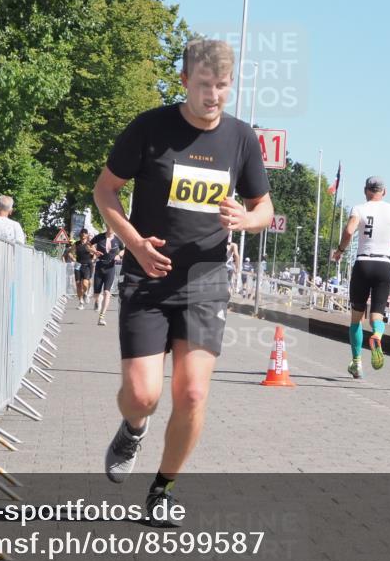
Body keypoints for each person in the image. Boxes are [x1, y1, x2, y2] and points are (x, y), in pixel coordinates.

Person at [93, 37, 273, 525]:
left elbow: (264, 208)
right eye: (203, 85)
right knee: (142, 395)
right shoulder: (151, 128)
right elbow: (105, 190)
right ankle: (133, 427)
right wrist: (133, 243)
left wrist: (246, 219)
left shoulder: (240, 139)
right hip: (147, 278)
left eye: (221, 86)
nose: (212, 96)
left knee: (192, 393)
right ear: (184, 82)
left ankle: (162, 489)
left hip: (206, 281)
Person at [332, 176, 390, 379]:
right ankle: (377, 335)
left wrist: (340, 249)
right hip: (384, 264)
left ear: (365, 191)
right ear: (384, 192)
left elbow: (350, 230)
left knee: (356, 318)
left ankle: (357, 362)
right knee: (377, 314)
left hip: (363, 264)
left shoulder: (359, 209)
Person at [91, 225, 125, 325]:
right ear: (106, 226)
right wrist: (94, 251)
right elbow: (88, 245)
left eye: (112, 226)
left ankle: (101, 317)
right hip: (99, 266)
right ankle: (97, 300)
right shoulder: (99, 237)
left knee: (107, 292)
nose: (111, 228)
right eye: (109, 226)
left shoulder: (118, 239)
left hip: (111, 267)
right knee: (96, 294)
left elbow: (124, 249)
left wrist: (119, 255)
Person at [72, 228, 96, 308]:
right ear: (80, 235)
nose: (83, 235)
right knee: (78, 284)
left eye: (85, 233)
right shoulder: (76, 244)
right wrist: (73, 258)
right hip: (78, 265)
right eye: (82, 233)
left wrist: (93, 259)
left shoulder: (90, 244)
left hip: (87, 265)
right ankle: (81, 302)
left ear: (87, 235)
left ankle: (86, 293)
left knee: (85, 283)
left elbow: (95, 253)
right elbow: (70, 252)